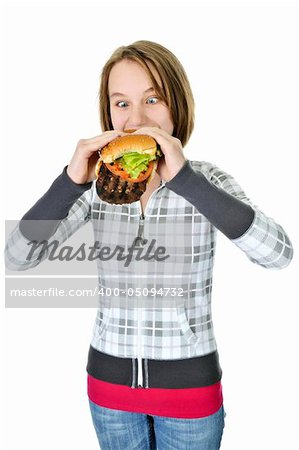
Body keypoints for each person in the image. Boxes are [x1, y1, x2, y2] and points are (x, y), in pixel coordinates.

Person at [5, 40, 293, 450]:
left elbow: (278, 254)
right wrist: (69, 183)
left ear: (177, 104)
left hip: (190, 395)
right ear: (107, 112)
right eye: (121, 103)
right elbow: (16, 258)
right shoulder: (95, 188)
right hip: (109, 393)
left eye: (152, 99)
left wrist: (187, 181)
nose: (136, 119)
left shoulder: (207, 180)